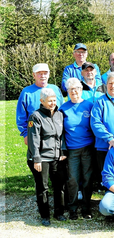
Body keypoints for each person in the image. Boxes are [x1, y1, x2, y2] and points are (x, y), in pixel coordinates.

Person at [27, 88, 67, 226]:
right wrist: (36, 159)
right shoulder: (35, 116)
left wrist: (62, 153)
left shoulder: (59, 115)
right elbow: (34, 140)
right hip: (42, 158)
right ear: (42, 101)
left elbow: (62, 136)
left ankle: (59, 212)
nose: (52, 103)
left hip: (57, 157)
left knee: (59, 185)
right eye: (49, 101)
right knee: (42, 187)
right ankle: (45, 215)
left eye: (54, 100)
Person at [59, 78, 95, 220]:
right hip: (72, 149)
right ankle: (72, 208)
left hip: (88, 148)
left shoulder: (89, 105)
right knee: (73, 179)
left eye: (77, 89)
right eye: (71, 89)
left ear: (81, 90)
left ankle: (86, 208)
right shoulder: (63, 108)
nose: (74, 92)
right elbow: (60, 132)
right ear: (67, 91)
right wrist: (62, 150)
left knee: (87, 178)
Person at [16, 63, 64, 146]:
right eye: (39, 73)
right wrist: (25, 134)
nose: (43, 76)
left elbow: (62, 110)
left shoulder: (55, 89)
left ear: (49, 74)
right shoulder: (26, 92)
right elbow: (21, 115)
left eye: (45, 73)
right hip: (36, 134)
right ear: (34, 75)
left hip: (57, 135)